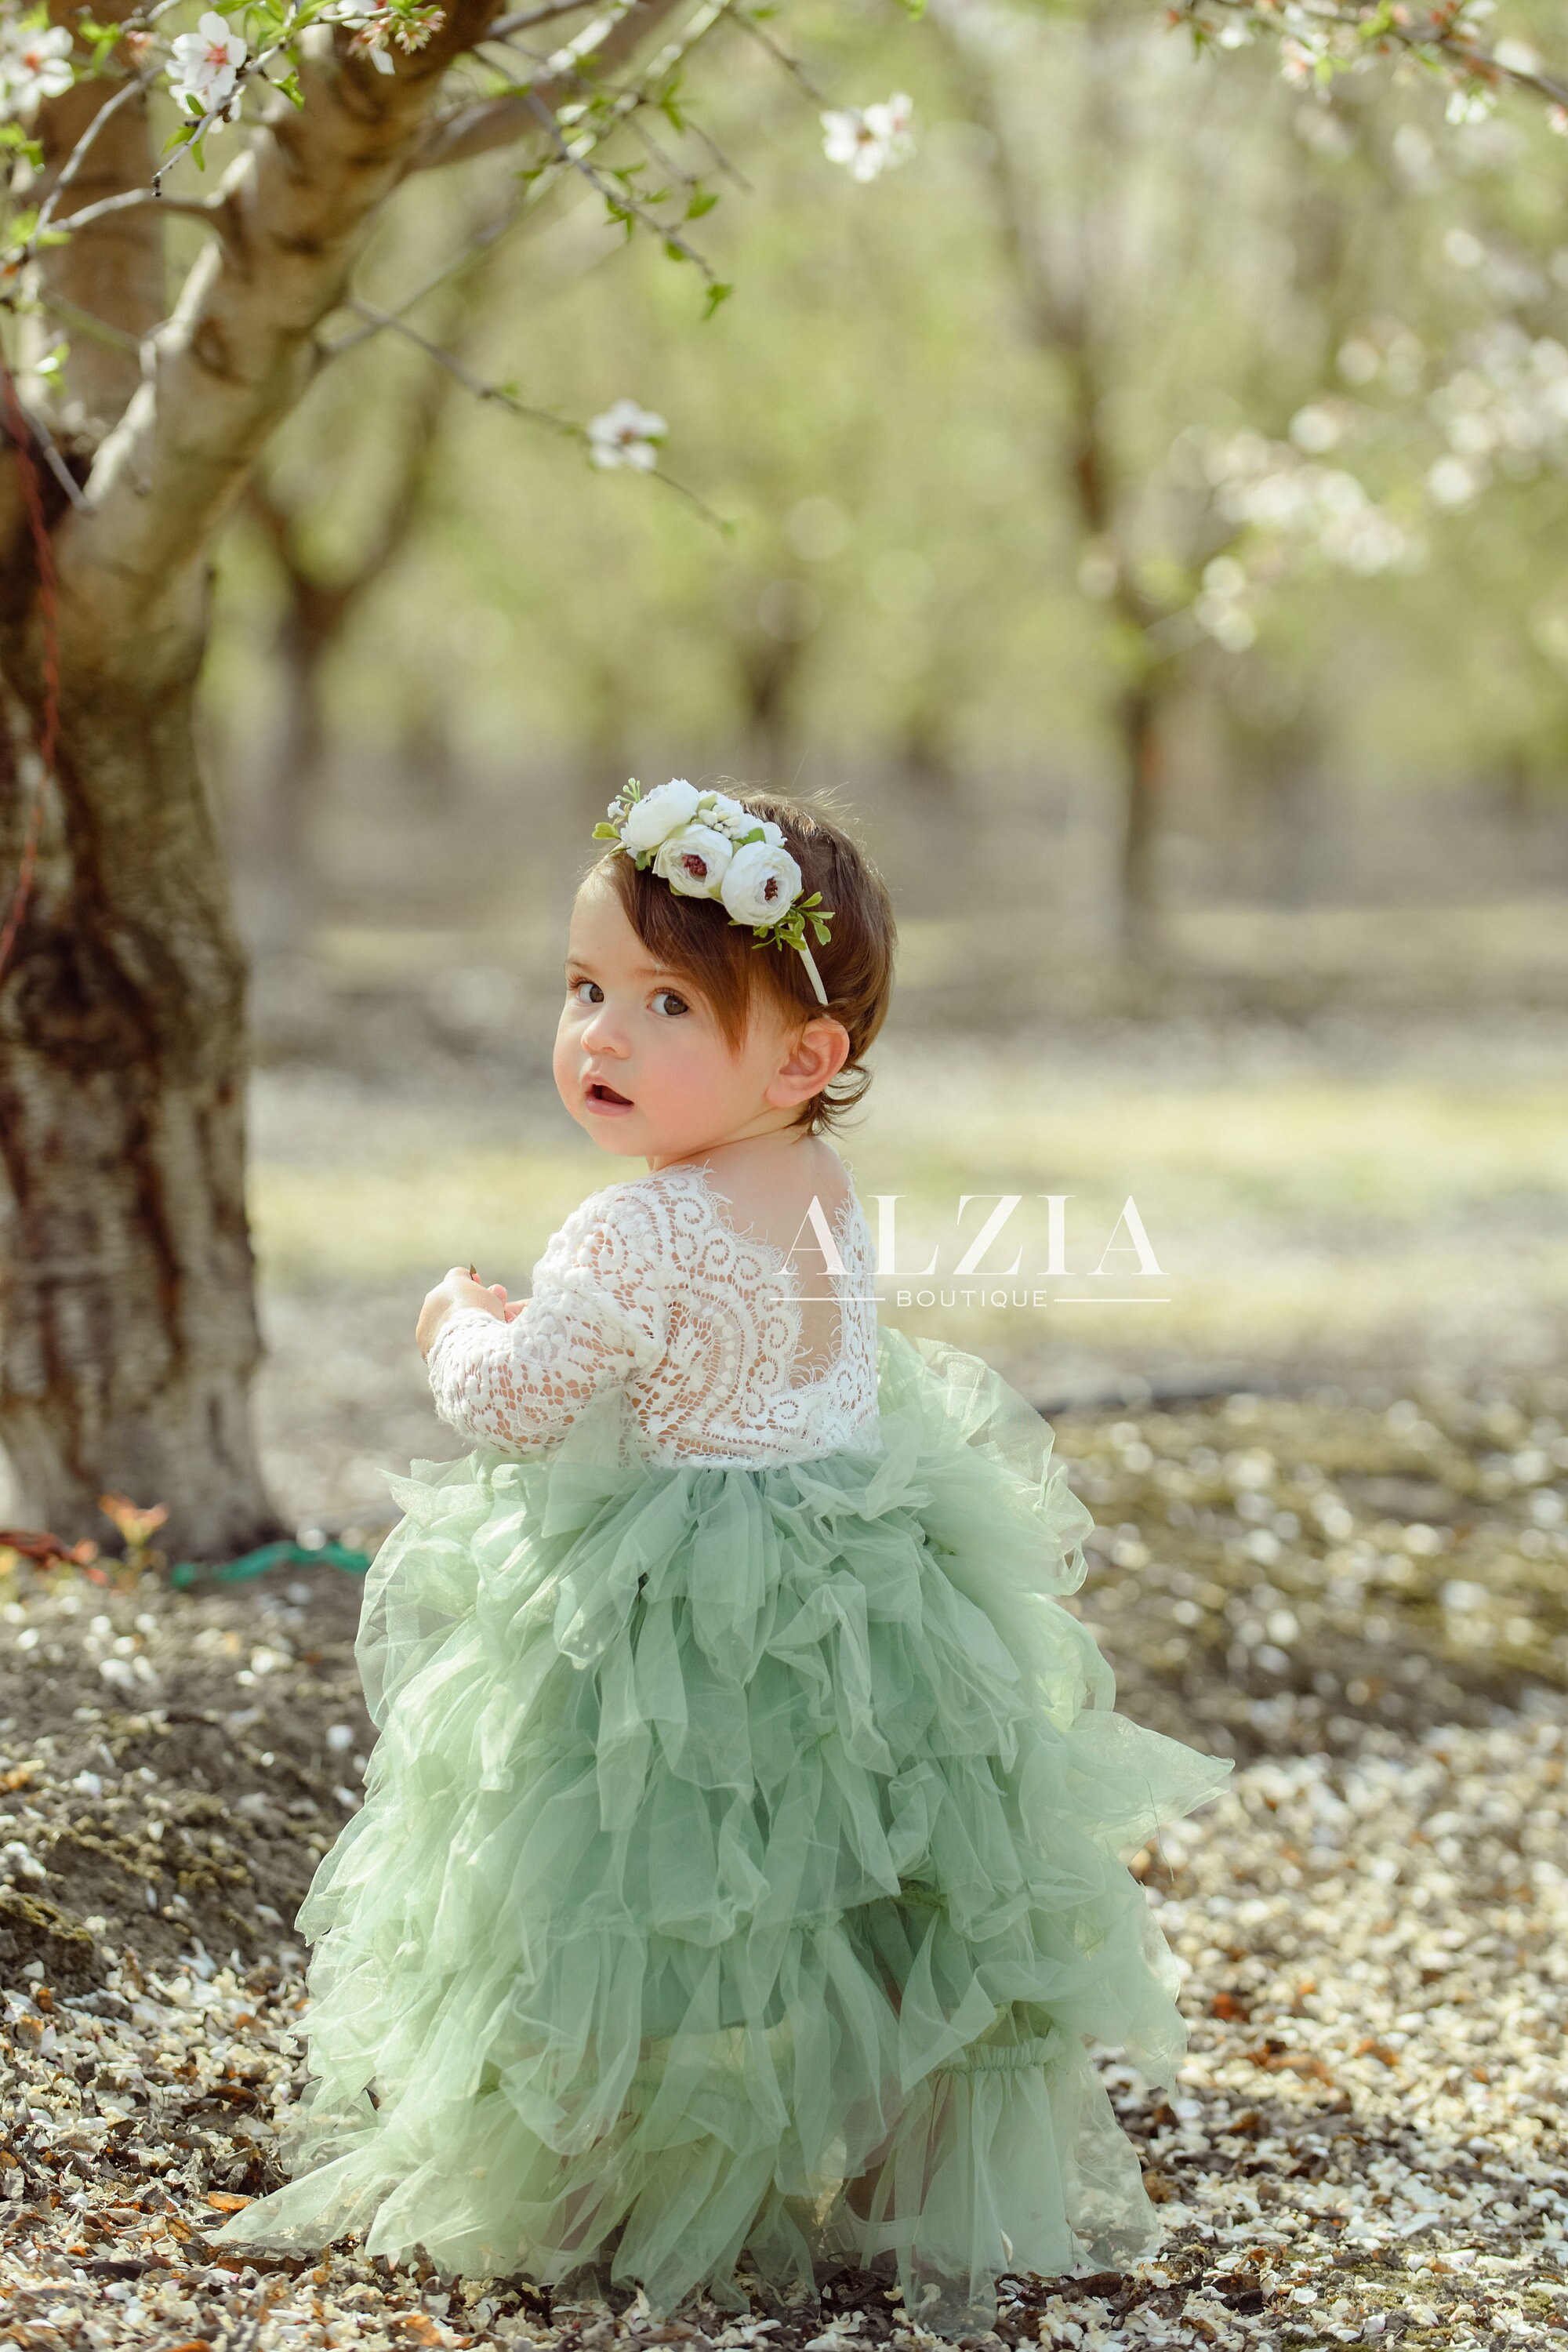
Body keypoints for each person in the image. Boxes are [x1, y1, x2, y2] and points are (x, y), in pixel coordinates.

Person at [214, 781, 1233, 2333]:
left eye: (666, 1001)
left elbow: (518, 1405)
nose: (599, 1038)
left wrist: (455, 1326)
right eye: (583, 990)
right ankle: (894, 2164)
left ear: (806, 1056)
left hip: (674, 1605)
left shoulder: (627, 1235)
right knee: (856, 1884)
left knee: (638, 1891)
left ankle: (596, 2172)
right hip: (867, 1577)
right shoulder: (817, 1188)